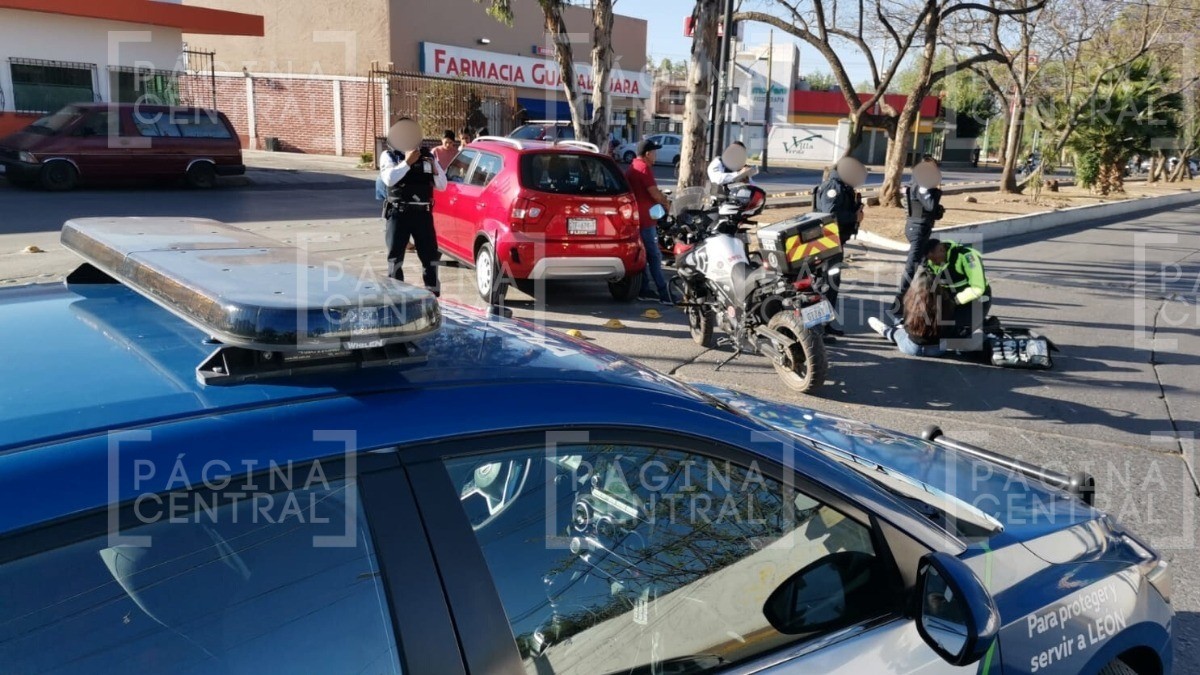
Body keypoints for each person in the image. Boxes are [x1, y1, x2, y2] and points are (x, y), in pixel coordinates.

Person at [380, 118, 448, 295]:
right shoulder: (390, 155)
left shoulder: (428, 155)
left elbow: (442, 185)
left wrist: (433, 168)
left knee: (430, 258)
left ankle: (433, 296)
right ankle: (395, 297)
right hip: (399, 213)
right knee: (395, 259)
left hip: (422, 214)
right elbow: (389, 178)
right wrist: (407, 163)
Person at [811, 158, 866, 338]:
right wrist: (853, 217)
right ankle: (817, 328)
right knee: (826, 285)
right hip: (828, 243)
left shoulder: (842, 186)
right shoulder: (833, 187)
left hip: (834, 243)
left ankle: (824, 324)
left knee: (830, 284)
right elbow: (831, 214)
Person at [892, 159, 944, 317]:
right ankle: (898, 304)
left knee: (923, 264)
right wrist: (937, 191)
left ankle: (919, 300)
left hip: (920, 226)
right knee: (913, 265)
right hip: (918, 228)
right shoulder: (922, 185)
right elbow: (929, 205)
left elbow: (932, 209)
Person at [624, 138, 673, 304]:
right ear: (647, 153)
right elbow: (654, 193)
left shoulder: (633, 167)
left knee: (643, 257)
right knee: (654, 256)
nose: (656, 155)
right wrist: (666, 203)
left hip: (637, 219)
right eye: (654, 152)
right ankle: (663, 292)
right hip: (646, 221)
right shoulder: (644, 168)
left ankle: (644, 289)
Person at [867, 269, 955, 357]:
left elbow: (907, 327)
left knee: (897, 333)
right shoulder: (946, 302)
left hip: (912, 347)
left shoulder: (911, 302)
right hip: (938, 349)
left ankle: (886, 330)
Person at [924, 238, 991, 337]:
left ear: (942, 249)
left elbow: (978, 288)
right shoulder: (929, 261)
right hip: (949, 299)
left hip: (974, 299)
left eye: (934, 259)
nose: (932, 263)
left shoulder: (967, 256)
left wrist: (954, 301)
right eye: (930, 259)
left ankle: (988, 325)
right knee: (931, 327)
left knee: (957, 332)